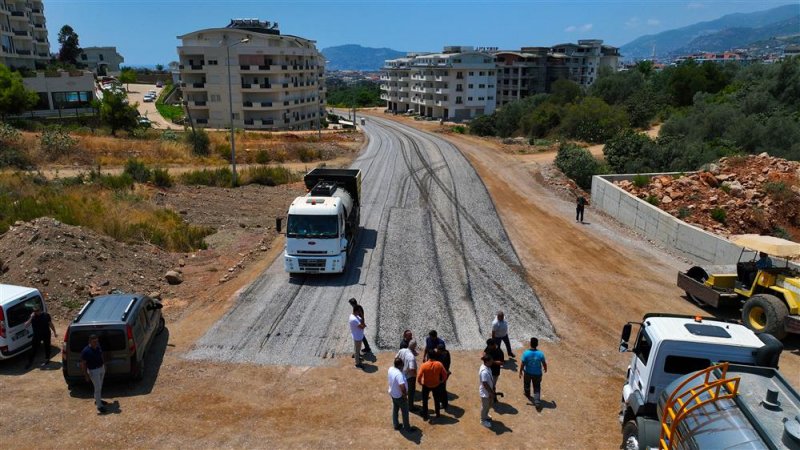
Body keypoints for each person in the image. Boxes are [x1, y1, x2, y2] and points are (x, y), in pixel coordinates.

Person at [417, 350, 448, 422]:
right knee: (436, 400)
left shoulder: (424, 365)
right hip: (436, 385)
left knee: (425, 401)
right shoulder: (439, 364)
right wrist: (441, 381)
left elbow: (419, 377)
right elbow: (445, 375)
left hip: (426, 385)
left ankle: (425, 416)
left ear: (428, 356)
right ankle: (437, 414)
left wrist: (421, 383)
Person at [80, 334, 108, 413]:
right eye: (94, 342)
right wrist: (86, 375)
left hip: (101, 368)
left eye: (97, 341)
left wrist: (104, 365)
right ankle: (99, 406)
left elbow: (101, 355)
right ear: (89, 342)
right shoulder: (85, 351)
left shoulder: (98, 347)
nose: (96, 343)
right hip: (93, 371)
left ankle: (97, 400)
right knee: (97, 388)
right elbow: (83, 364)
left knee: (100, 386)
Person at [24, 304, 56, 369]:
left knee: (47, 346)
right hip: (37, 335)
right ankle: (30, 362)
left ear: (40, 310)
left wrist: (54, 332)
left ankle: (47, 359)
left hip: (46, 334)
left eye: (37, 310)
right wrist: (31, 318)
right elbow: (26, 325)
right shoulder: (33, 317)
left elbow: (50, 324)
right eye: (34, 311)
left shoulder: (46, 315)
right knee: (34, 348)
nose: (36, 312)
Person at [519, 337, 548, 407]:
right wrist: (545, 368)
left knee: (526, 384)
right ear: (537, 344)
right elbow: (544, 363)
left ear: (530, 344)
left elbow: (523, 363)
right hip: (537, 374)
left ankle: (527, 394)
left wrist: (520, 371)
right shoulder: (540, 354)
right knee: (537, 387)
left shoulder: (526, 353)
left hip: (528, 373)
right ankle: (537, 402)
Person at [388, 357, 411, 431]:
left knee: (395, 409)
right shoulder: (399, 375)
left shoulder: (391, 369)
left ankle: (396, 425)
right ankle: (407, 428)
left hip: (393, 394)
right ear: (400, 365)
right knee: (405, 412)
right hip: (400, 396)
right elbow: (402, 387)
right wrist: (405, 396)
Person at [396, 341, 419, 411]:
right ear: (414, 347)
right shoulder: (411, 357)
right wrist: (415, 375)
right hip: (409, 377)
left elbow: (396, 358)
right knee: (411, 392)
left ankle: (402, 403)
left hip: (401, 374)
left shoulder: (401, 350)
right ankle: (410, 407)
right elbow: (412, 369)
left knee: (401, 389)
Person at [479, 354, 495, 428]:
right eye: (491, 361)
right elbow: (485, 383)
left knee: (489, 405)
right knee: (485, 406)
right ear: (487, 361)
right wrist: (491, 392)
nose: (492, 362)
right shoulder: (484, 372)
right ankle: (482, 420)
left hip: (489, 391)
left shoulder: (487, 367)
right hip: (486, 393)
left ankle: (486, 415)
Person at [436, 343, 451, 409]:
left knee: (441, 389)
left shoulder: (443, 356)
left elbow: (440, 365)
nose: (437, 350)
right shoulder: (447, 353)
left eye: (438, 349)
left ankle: (443, 403)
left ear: (440, 350)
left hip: (442, 374)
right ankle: (444, 403)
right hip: (445, 373)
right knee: (442, 389)